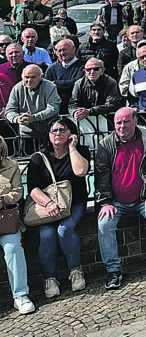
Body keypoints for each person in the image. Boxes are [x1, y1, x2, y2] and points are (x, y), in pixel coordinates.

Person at [95, 107, 146, 288]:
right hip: (115, 201)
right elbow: (101, 176)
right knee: (104, 224)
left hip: (144, 198)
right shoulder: (105, 144)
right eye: (118, 123)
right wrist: (105, 202)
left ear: (135, 121)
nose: (122, 126)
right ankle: (113, 270)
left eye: (126, 122)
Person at [27, 116, 91, 298]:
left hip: (74, 203)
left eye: (63, 130)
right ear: (48, 134)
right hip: (47, 207)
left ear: (71, 133)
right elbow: (32, 188)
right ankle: (49, 278)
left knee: (65, 229)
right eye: (54, 130)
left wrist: (72, 148)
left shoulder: (80, 151)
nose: (58, 133)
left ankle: (76, 270)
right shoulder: (39, 158)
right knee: (47, 234)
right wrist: (48, 203)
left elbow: (81, 171)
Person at [0, 135, 34, 314]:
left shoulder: (11, 165)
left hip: (6, 220)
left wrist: (3, 199)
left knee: (13, 248)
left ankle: (20, 295)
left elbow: (18, 191)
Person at [4, 64, 60, 152]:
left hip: (48, 132)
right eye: (26, 77)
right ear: (22, 77)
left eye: (33, 77)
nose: (29, 80)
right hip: (26, 134)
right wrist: (17, 118)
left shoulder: (50, 87)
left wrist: (35, 117)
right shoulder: (17, 88)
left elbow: (53, 108)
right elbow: (9, 110)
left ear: (41, 77)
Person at [44, 38, 84, 114]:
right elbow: (47, 86)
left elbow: (76, 83)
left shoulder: (82, 66)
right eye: (59, 51)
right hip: (56, 108)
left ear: (73, 49)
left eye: (64, 50)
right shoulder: (51, 68)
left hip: (76, 108)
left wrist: (55, 83)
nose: (62, 53)